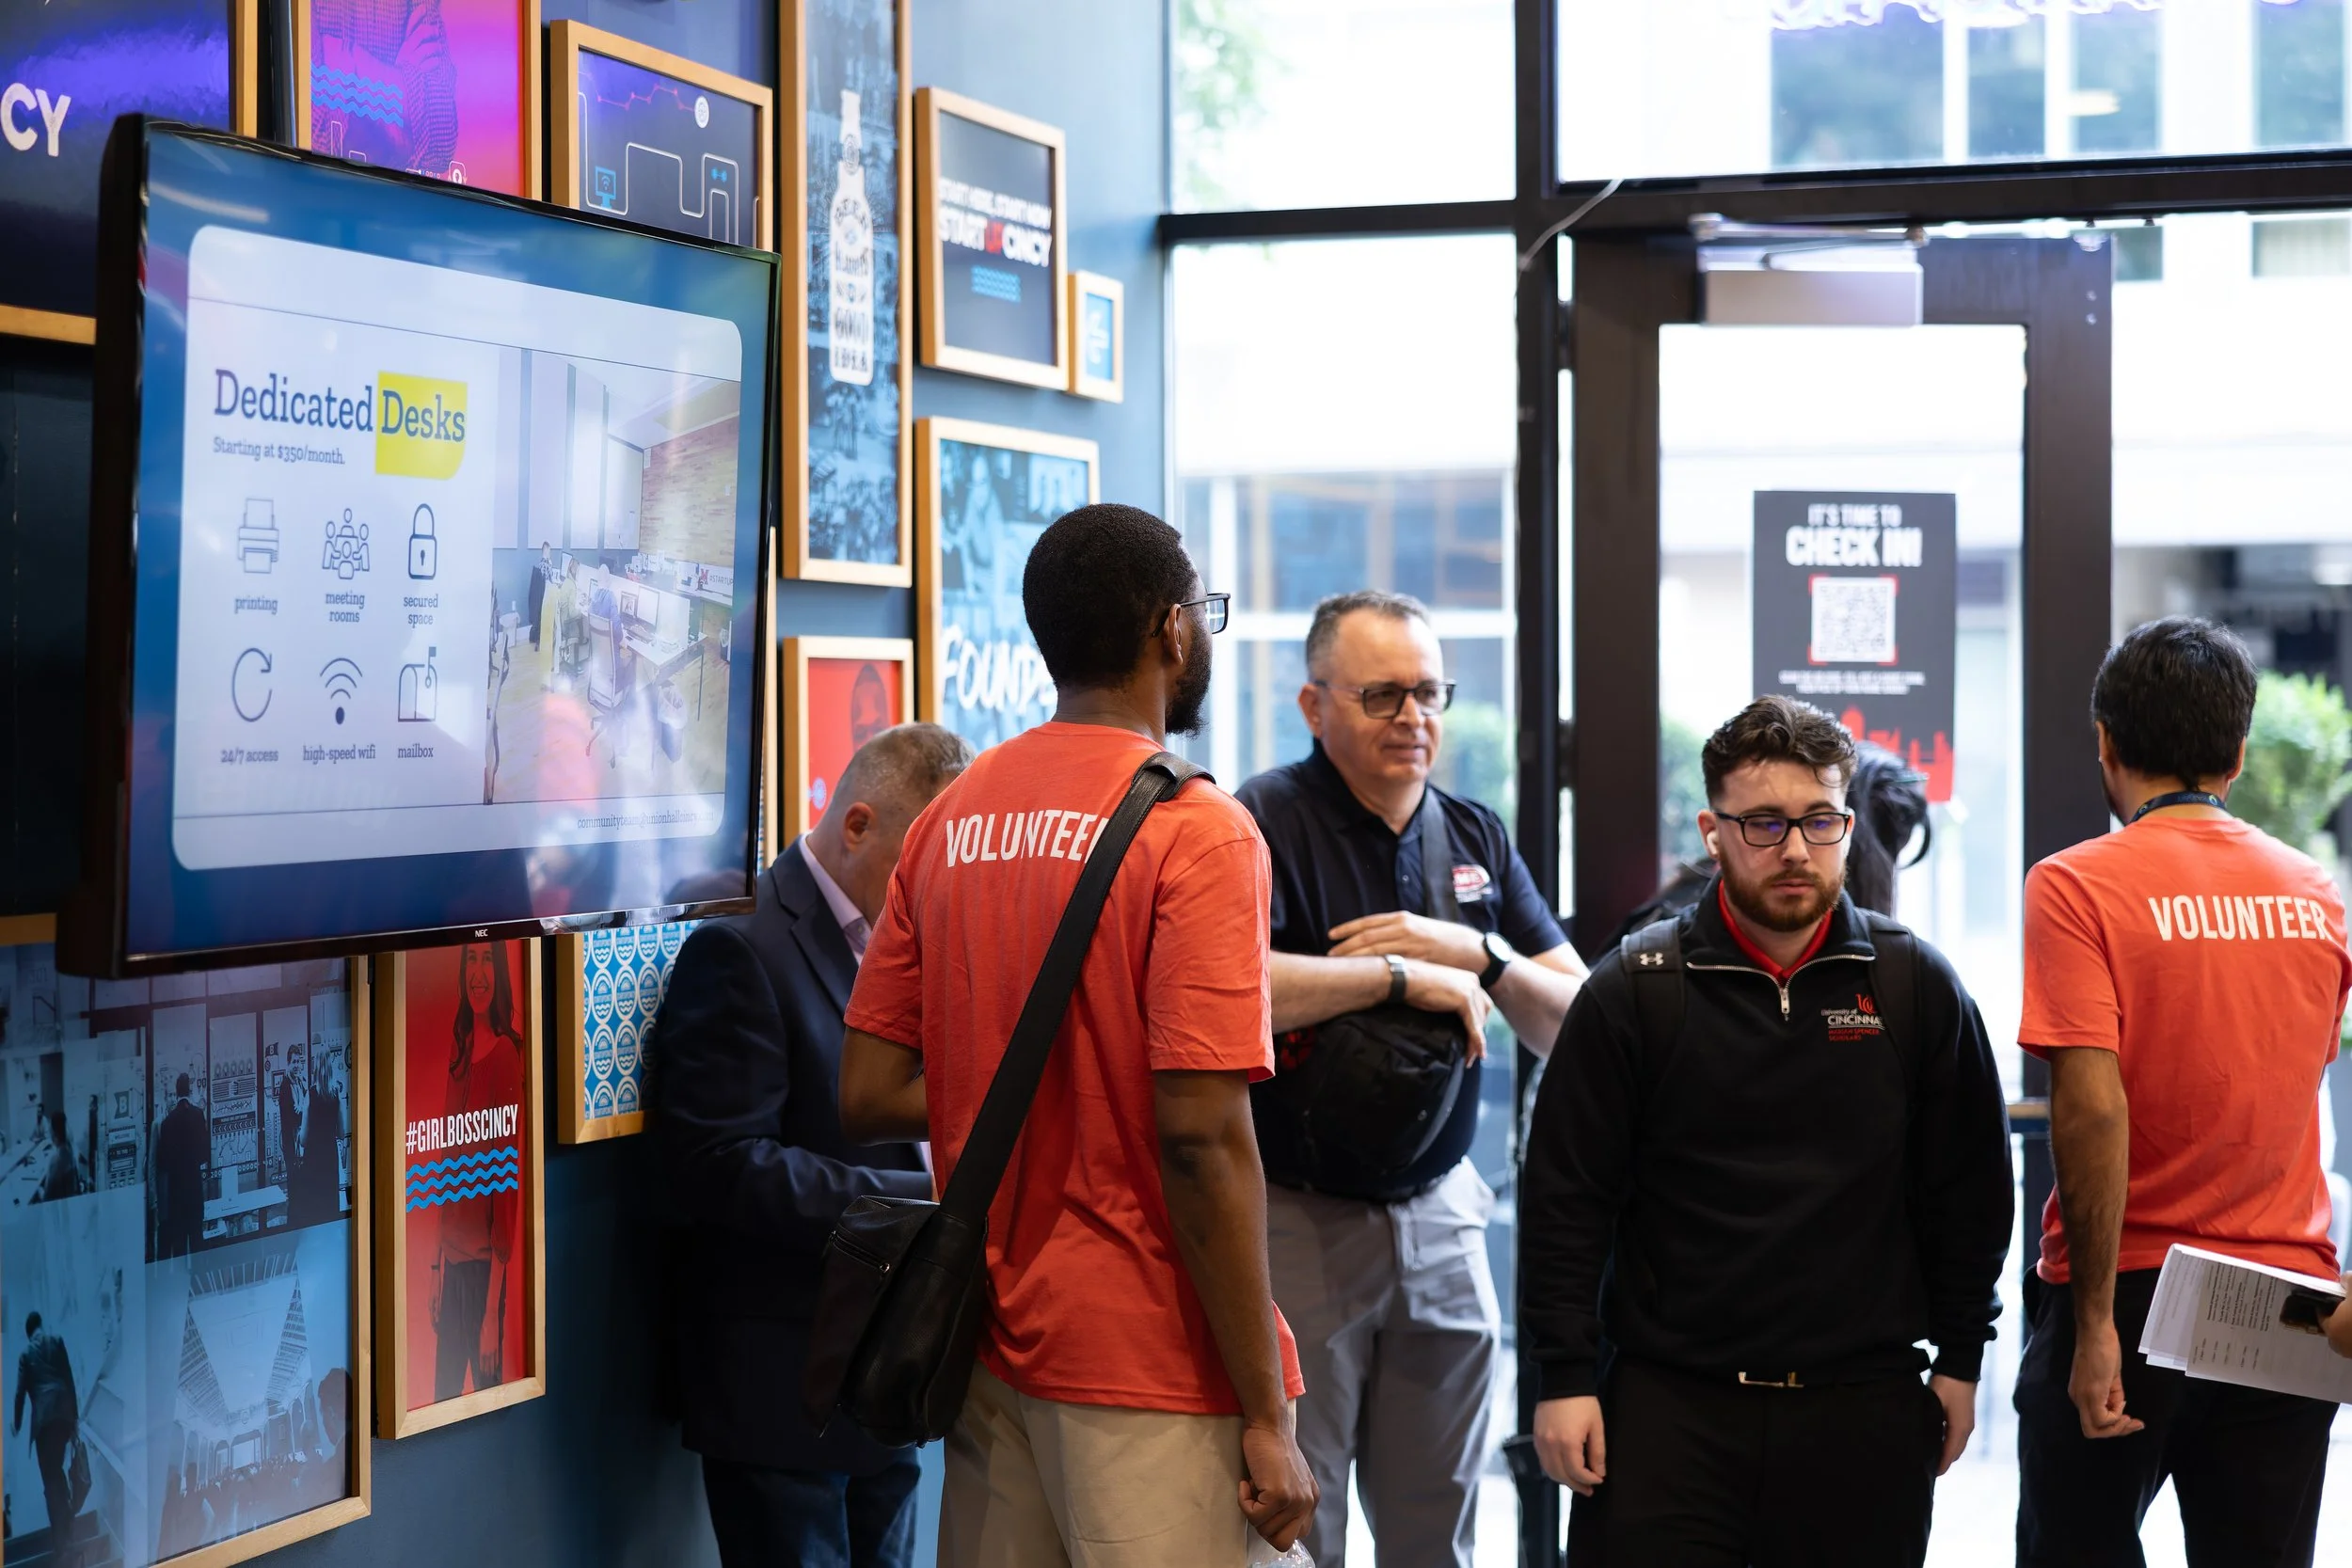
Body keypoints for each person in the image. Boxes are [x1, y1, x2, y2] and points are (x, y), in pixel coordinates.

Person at [838, 502, 1316, 1567]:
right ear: (1170, 630)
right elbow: (1200, 1137)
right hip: (1152, 1366)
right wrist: (1267, 1411)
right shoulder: (1194, 826)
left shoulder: (954, 813)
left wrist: (1036, 1081)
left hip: (992, 1350)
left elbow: (868, 1088)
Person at [1522, 695, 2013, 1567]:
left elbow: (1971, 1192)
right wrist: (1561, 1377)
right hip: (1669, 1411)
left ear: (1848, 824)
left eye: (1819, 820)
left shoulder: (1914, 986)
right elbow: (1566, 1200)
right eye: (1764, 823)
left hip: (1862, 1410)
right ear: (1713, 831)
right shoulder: (1636, 988)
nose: (1794, 848)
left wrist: (1963, 1358)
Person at [1235, 589, 1587, 1568]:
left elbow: (1582, 1022)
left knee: (1440, 1530)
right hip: (1296, 1219)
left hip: (1442, 1215)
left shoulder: (1474, 834)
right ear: (1314, 706)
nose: (1413, 717)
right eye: (1382, 694)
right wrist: (1391, 975)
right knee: (1304, 1530)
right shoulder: (1254, 822)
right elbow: (1222, 989)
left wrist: (1471, 949)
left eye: (1428, 692)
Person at [2016, 617, 2350, 1567]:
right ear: (2237, 754)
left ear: (2105, 744)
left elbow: (2088, 1106)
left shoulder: (2076, 885)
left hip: (2129, 1286)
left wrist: (2087, 1329)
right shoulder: (2312, 890)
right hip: (2288, 1296)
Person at [656, 721, 973, 1568]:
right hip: (779, 1385)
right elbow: (717, 1164)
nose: (932, 892)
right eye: (920, 863)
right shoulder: (741, 944)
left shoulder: (902, 942)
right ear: (857, 824)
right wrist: (917, 1212)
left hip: (883, 1378)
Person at [434, 942, 524, 1400]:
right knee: (440, 1399)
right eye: (471, 957)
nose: (479, 972)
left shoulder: (506, 1056)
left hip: (483, 1277)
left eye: (489, 958)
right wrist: (436, 1269)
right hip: (451, 1270)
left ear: (501, 970)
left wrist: (492, 1313)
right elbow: (446, 1166)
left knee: (487, 1405)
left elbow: (506, 1197)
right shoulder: (460, 1052)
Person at [14, 1311, 78, 1564]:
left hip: (43, 1423)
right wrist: (75, 1420)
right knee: (57, 1475)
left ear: (29, 1333)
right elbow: (69, 1379)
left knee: (50, 1481)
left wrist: (16, 1424)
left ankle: (61, 1543)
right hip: (62, 1416)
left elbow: (20, 1393)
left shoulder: (25, 1355)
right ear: (41, 1326)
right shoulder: (57, 1341)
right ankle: (67, 1526)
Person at [155, 1076, 209, 1257]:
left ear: (176, 1092)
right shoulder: (198, 1115)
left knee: (179, 1246)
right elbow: (205, 1155)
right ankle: (199, 1283)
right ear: (190, 1090)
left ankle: (180, 1283)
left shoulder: (167, 1122)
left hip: (176, 1196)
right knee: (197, 1241)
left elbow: (162, 1162)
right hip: (194, 1191)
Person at [35, 1111, 77, 1203]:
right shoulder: (70, 1152)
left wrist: (38, 1190)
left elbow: (46, 1198)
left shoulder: (55, 1161)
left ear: (54, 1133)